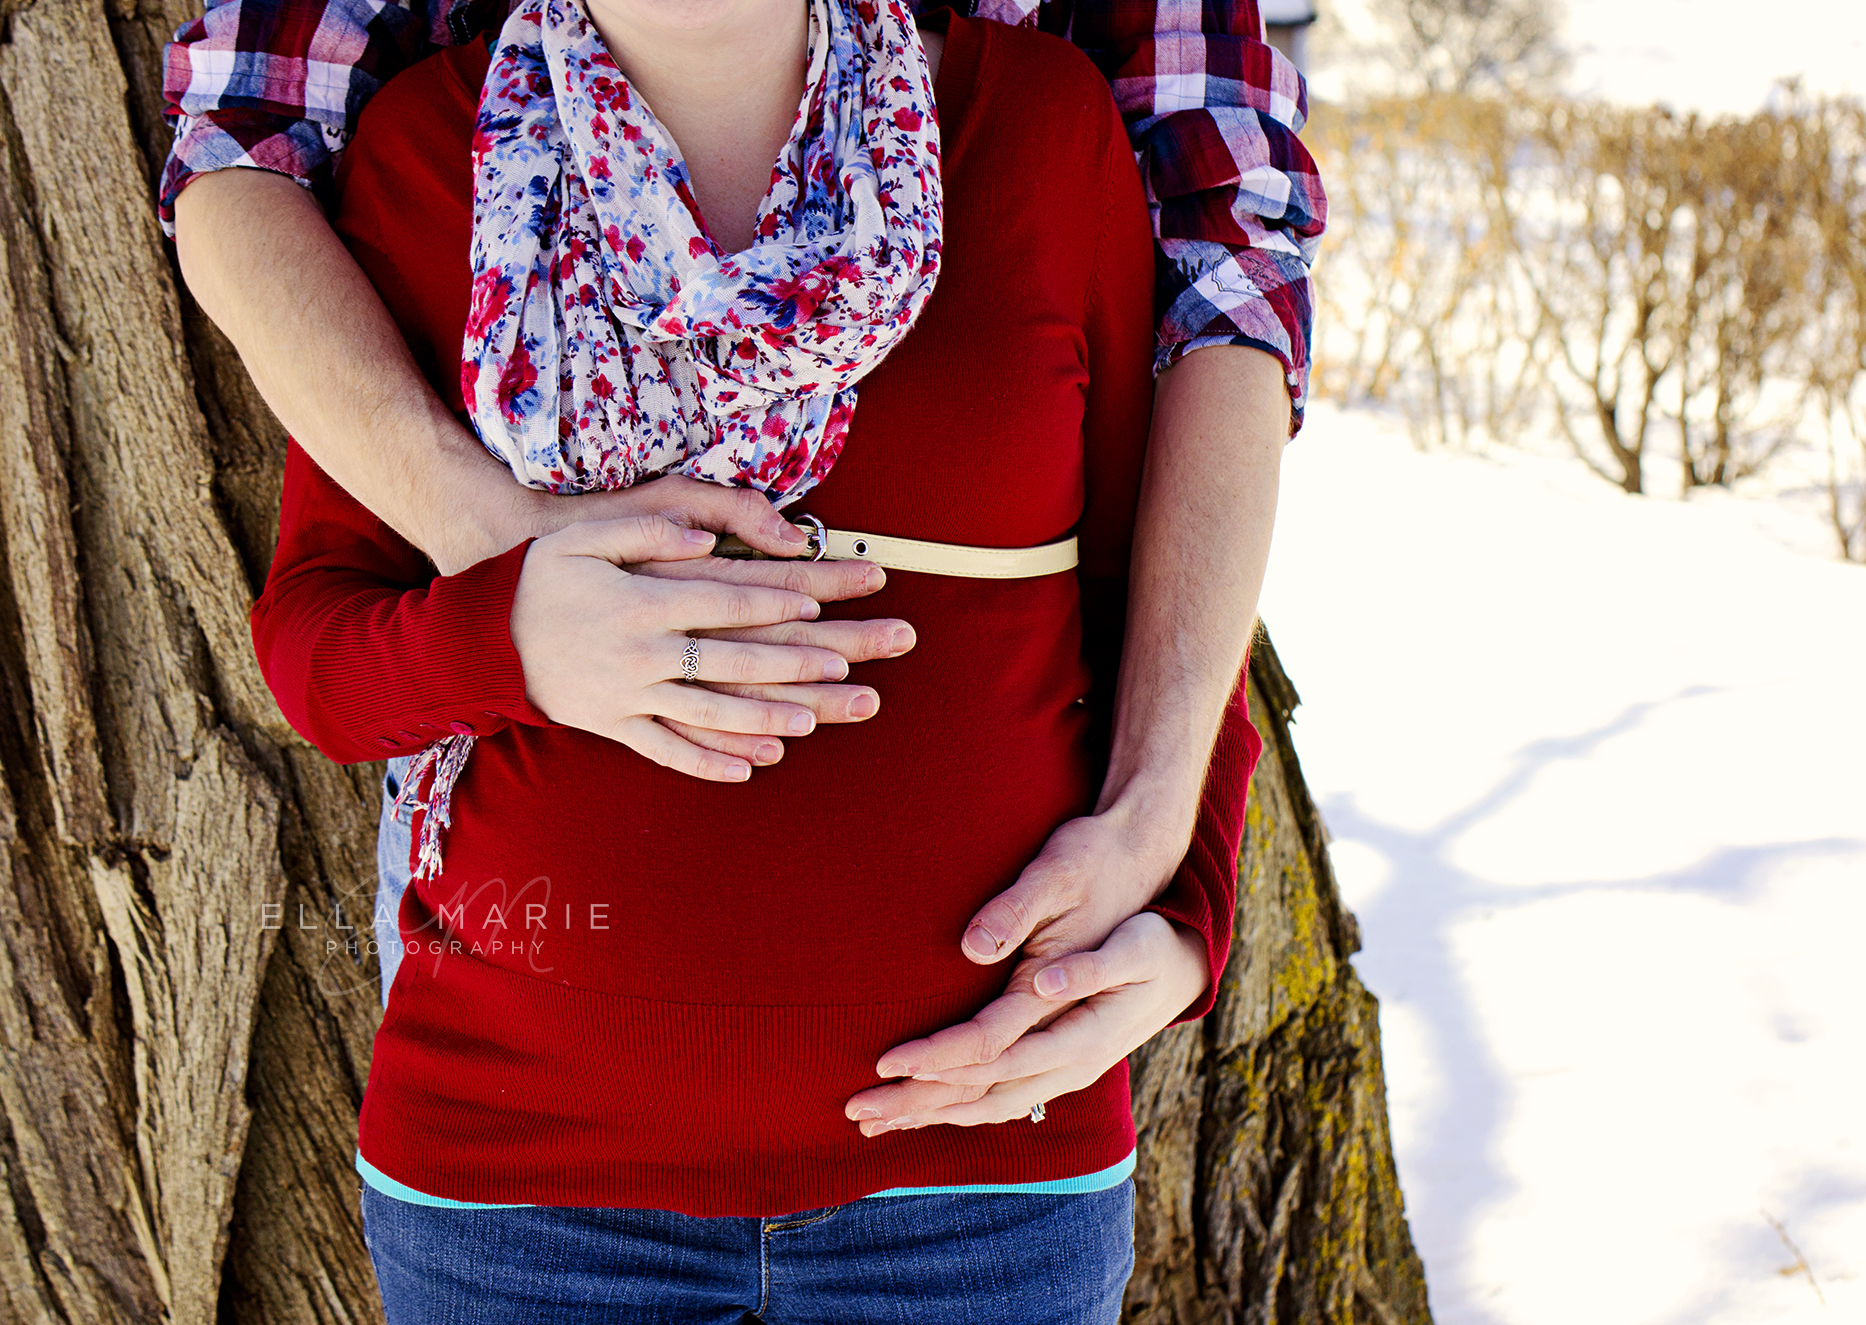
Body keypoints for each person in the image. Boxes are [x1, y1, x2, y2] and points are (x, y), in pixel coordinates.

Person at [240, 0, 1288, 1310]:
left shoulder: (1035, 121)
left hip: (982, 1190)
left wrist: (1187, 902)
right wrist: (514, 635)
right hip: (527, 1194)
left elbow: (1162, 599)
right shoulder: (434, 145)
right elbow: (317, 645)